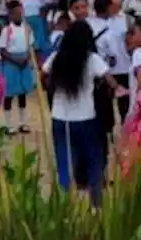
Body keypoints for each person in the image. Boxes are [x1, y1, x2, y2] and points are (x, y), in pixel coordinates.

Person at [43, 20, 124, 202]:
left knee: (64, 164)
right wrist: (118, 89)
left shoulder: (56, 57)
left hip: (60, 118)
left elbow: (43, 75)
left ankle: (64, 206)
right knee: (92, 162)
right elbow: (111, 82)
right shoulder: (91, 59)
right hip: (86, 118)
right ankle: (96, 204)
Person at [0, 0, 34, 134]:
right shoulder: (7, 30)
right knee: (9, 94)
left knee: (22, 93)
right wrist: (15, 60)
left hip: (24, 62)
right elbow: (2, 50)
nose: (19, 15)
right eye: (16, 13)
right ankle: (8, 124)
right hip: (11, 64)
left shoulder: (27, 28)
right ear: (11, 15)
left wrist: (27, 58)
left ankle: (23, 122)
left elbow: (30, 46)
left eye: (21, 12)